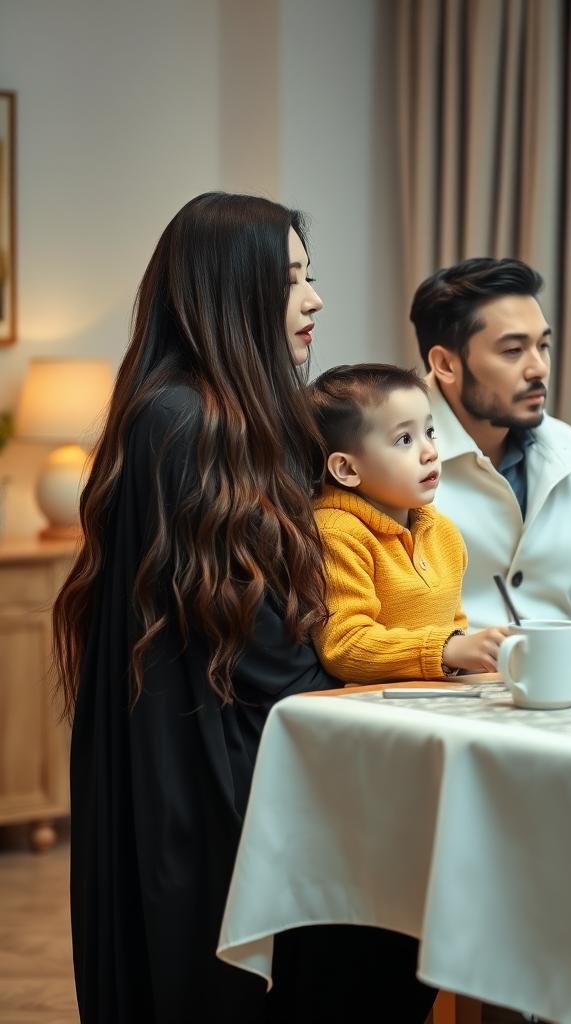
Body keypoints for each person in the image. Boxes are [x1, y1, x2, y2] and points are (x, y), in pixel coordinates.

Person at [53, 193, 437, 1024]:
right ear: (233, 293)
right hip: (204, 769)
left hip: (244, 748)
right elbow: (258, 641)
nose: (315, 299)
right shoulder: (180, 420)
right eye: (291, 279)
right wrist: (385, 654)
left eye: (312, 276)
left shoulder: (238, 418)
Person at [408, 257, 571, 643]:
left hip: (559, 686)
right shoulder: (386, 457)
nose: (539, 369)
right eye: (513, 351)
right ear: (445, 364)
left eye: (543, 346)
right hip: (435, 689)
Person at [308, 363, 510, 681]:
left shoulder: (444, 533)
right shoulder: (336, 534)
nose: (430, 452)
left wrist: (487, 653)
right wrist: (447, 650)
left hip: (438, 704)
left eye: (429, 432)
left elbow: (455, 628)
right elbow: (345, 646)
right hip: (372, 714)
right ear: (346, 469)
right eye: (404, 439)